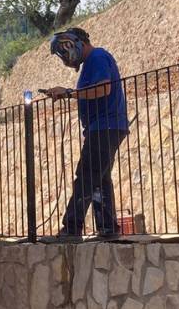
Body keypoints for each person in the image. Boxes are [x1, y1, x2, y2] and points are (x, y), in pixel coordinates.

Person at [43, 28, 129, 240]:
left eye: (63, 52)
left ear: (72, 44)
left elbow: (103, 89)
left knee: (86, 176)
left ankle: (72, 228)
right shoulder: (93, 61)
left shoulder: (98, 57)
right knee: (100, 178)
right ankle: (107, 228)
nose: (63, 58)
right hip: (106, 126)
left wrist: (70, 93)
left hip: (104, 126)